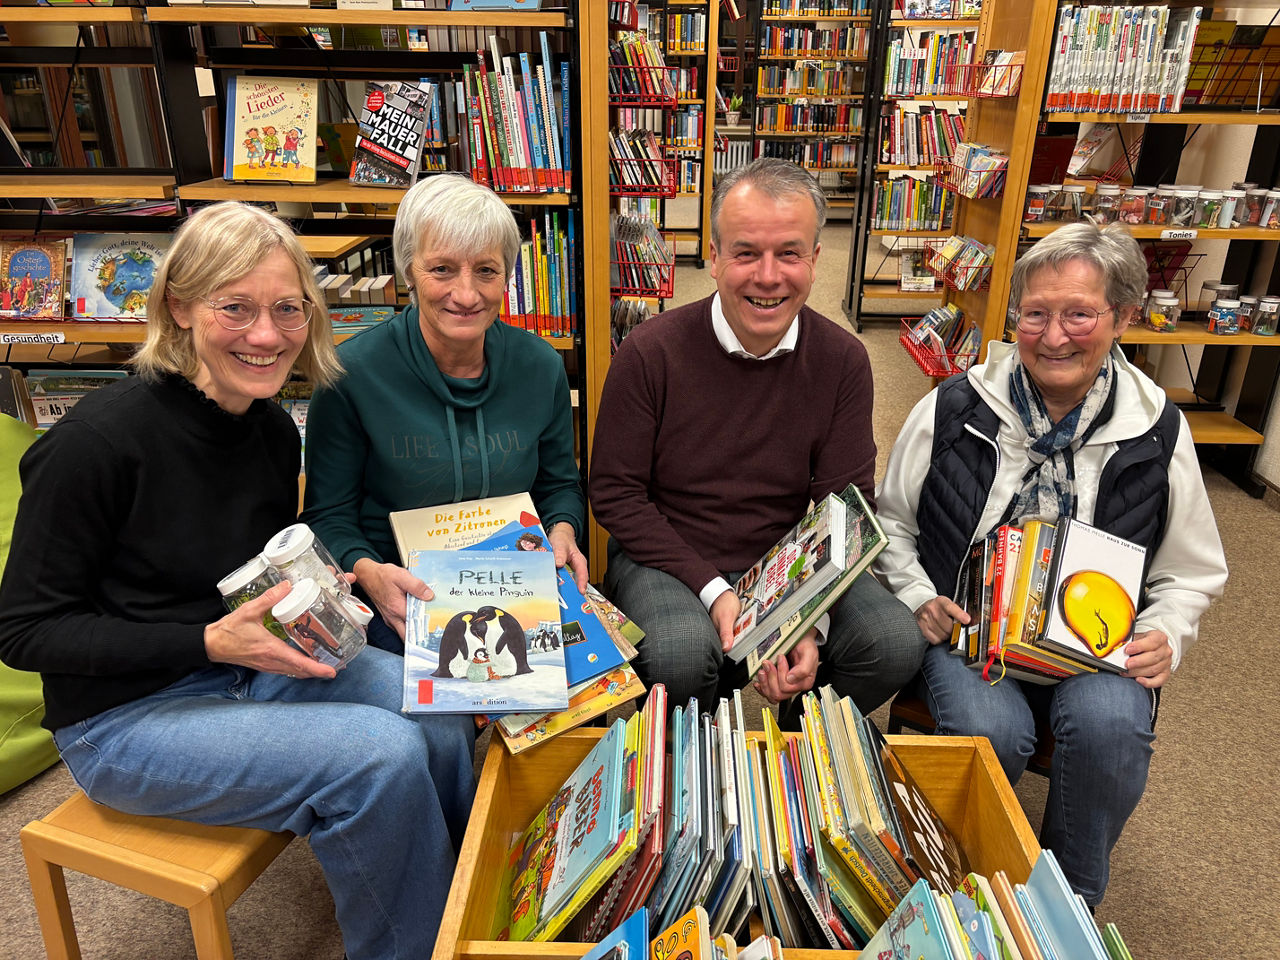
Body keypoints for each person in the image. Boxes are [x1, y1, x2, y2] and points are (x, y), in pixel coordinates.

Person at [0, 202, 477, 960]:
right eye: (236, 308)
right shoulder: (93, 445)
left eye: (287, 309)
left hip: (245, 668)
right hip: (122, 719)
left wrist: (330, 590)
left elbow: (244, 570)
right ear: (180, 307)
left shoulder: (266, 427)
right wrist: (206, 639)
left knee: (440, 706)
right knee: (376, 754)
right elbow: (24, 631)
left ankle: (453, 912)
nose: (265, 335)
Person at [873, 222, 1228, 908]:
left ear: (1123, 317)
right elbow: (891, 524)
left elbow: (1192, 568)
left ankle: (1068, 902)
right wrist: (919, 595)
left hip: (1097, 643)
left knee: (1110, 727)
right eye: (1035, 313)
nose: (1054, 335)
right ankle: (971, 894)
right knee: (993, 731)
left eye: (1079, 314)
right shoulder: (955, 406)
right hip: (971, 635)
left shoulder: (1156, 428)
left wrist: (1169, 631)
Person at [589, 157, 927, 717]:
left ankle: (801, 743)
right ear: (715, 257)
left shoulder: (844, 361)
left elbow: (842, 507)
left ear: (816, 259)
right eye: (746, 252)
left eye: (789, 253)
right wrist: (713, 589)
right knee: (680, 655)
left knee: (892, 641)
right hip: (672, 554)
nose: (768, 277)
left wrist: (805, 615)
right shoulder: (649, 351)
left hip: (794, 558)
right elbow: (616, 494)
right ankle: (691, 755)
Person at [302, 173, 587, 653]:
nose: (467, 294)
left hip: (516, 584)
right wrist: (369, 571)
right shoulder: (350, 375)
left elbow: (559, 484)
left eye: (486, 271)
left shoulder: (541, 366)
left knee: (589, 690)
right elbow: (328, 514)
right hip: (400, 592)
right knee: (445, 713)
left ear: (508, 276)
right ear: (409, 271)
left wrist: (562, 530)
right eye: (441, 270)